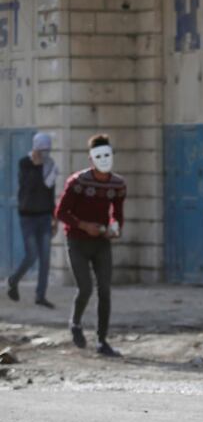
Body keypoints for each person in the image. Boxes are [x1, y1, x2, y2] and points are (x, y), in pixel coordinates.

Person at [55, 134, 126, 357]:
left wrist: (115, 228)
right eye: (99, 156)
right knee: (85, 287)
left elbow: (118, 213)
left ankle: (102, 340)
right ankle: (75, 323)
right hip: (77, 241)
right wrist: (84, 226)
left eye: (107, 155)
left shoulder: (117, 184)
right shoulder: (78, 182)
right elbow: (61, 212)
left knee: (104, 290)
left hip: (101, 242)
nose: (104, 160)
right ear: (91, 159)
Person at [7, 132, 59, 308]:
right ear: (36, 148)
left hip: (44, 216)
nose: (45, 154)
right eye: (42, 150)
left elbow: (50, 192)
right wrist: (37, 167)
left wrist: (55, 218)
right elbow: (28, 187)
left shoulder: (50, 165)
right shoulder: (25, 163)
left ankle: (40, 295)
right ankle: (13, 280)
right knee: (32, 255)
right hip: (28, 216)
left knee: (45, 258)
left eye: (47, 150)